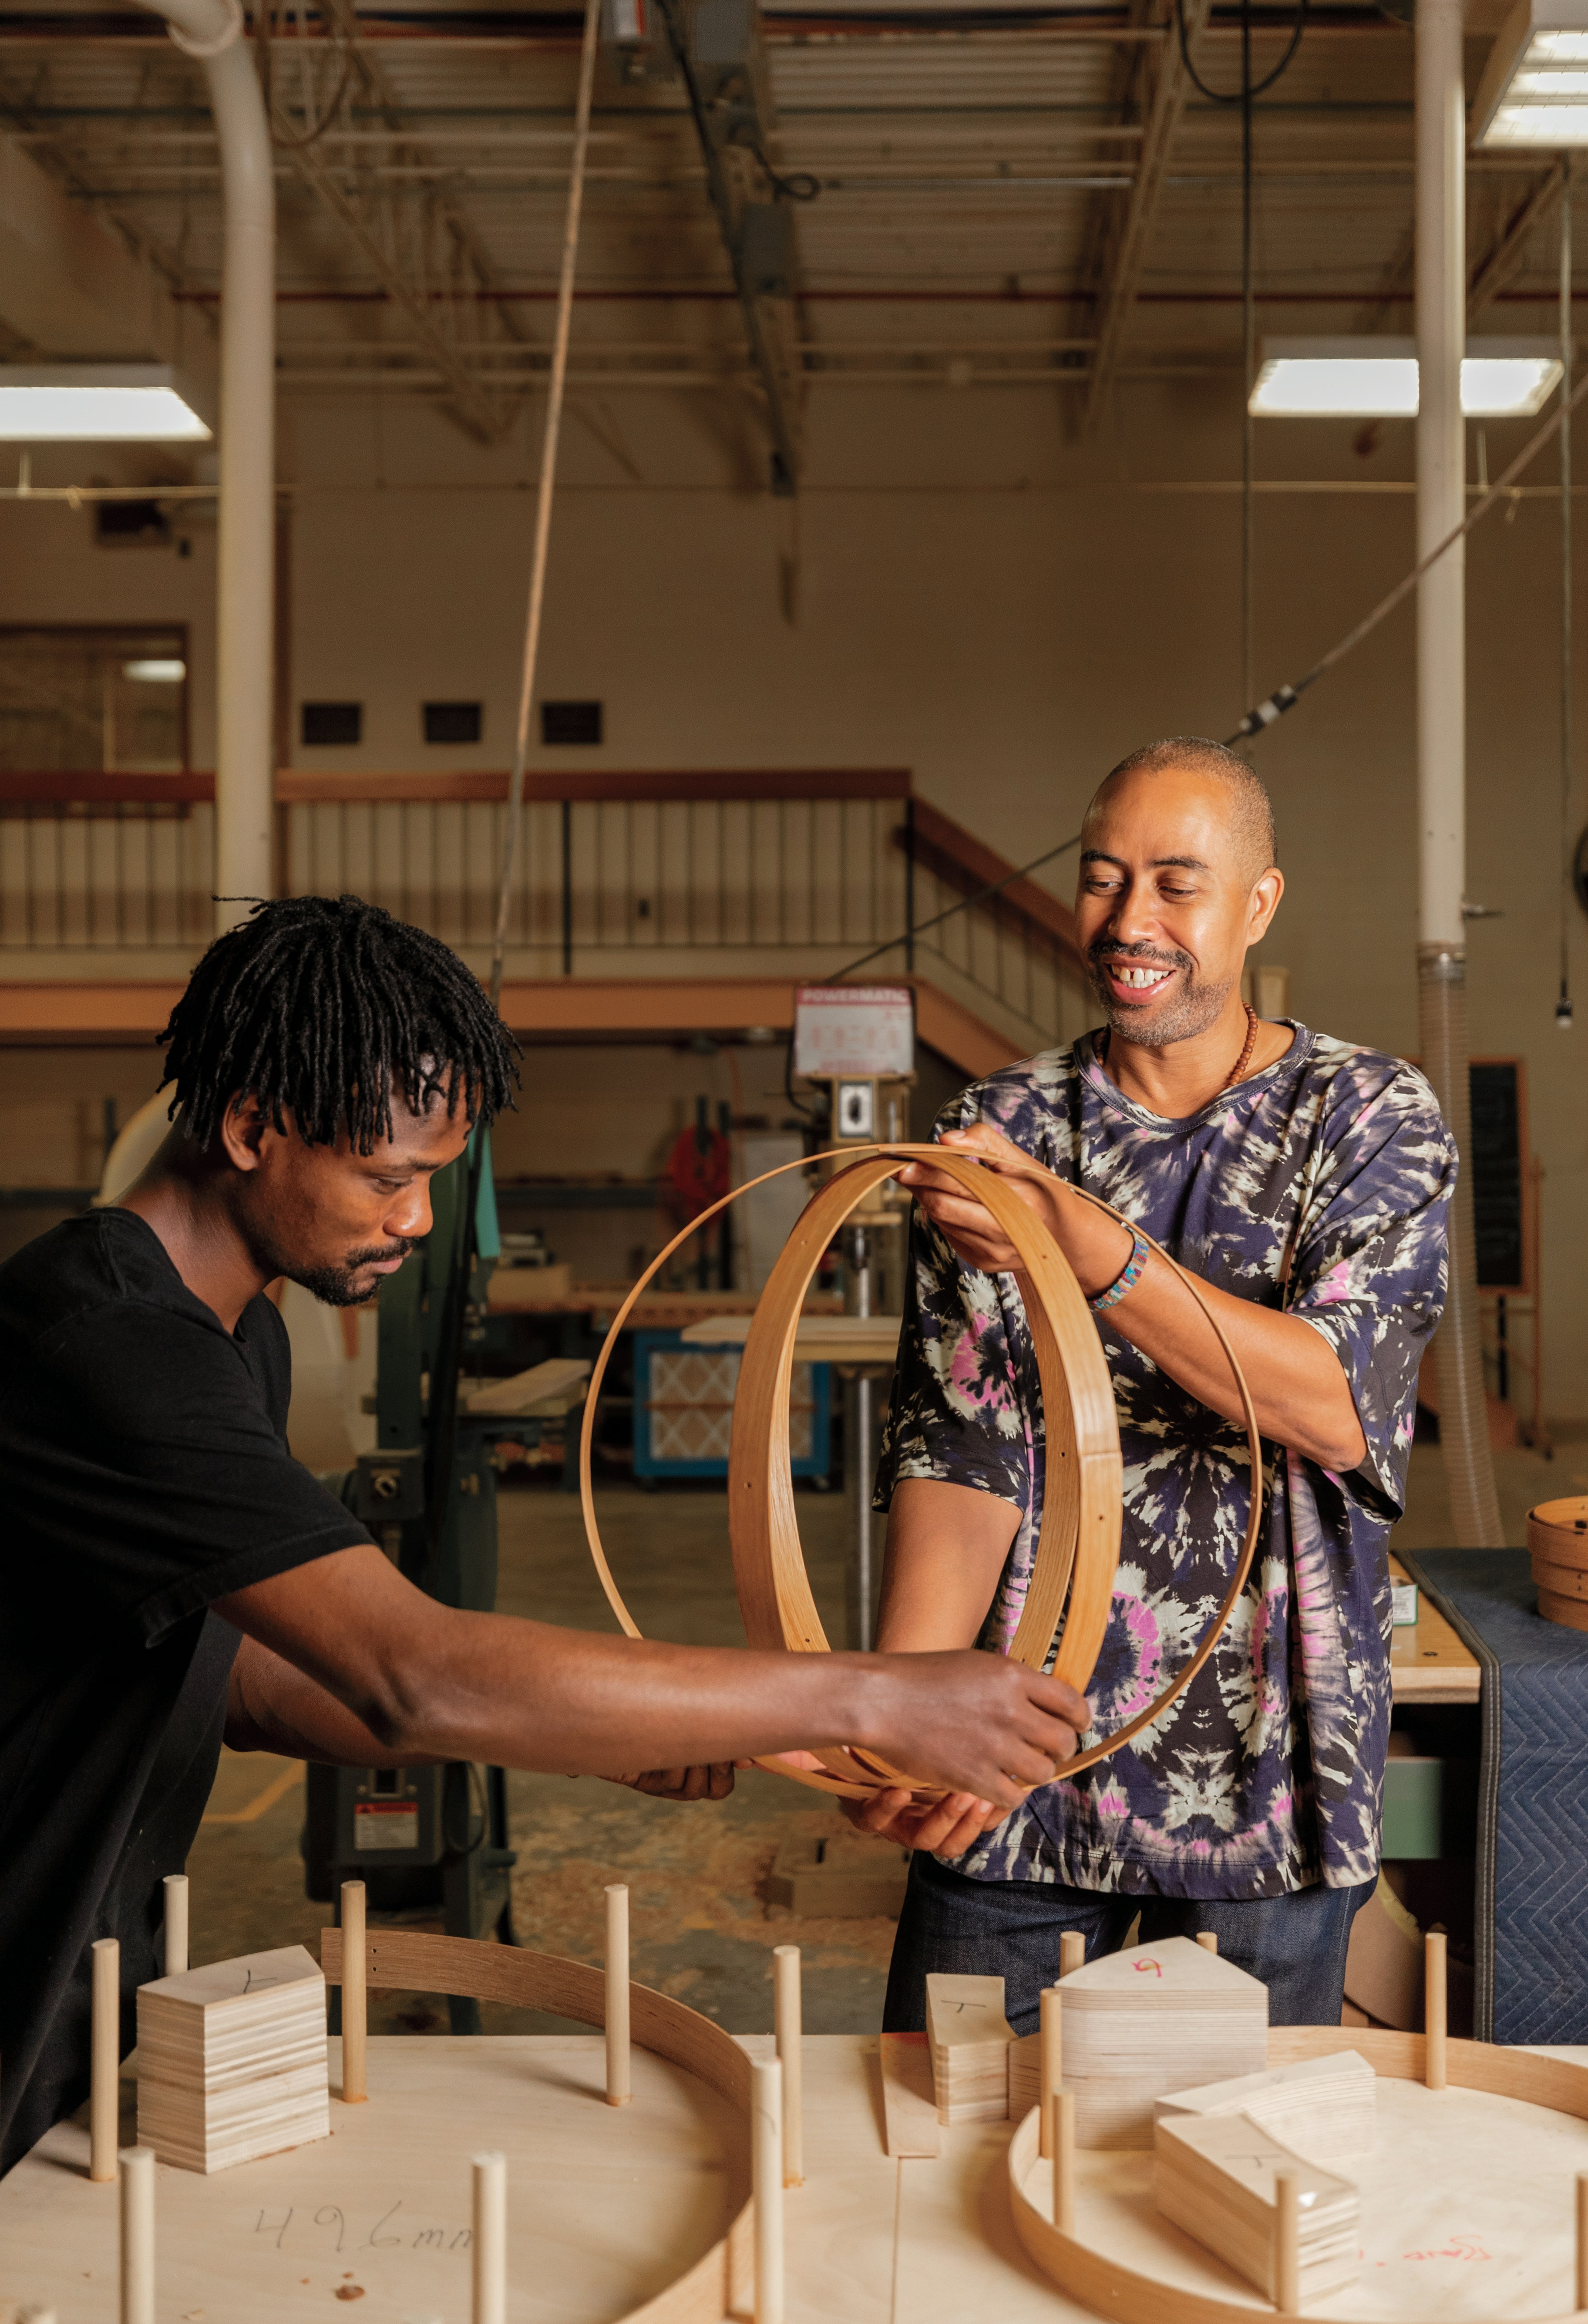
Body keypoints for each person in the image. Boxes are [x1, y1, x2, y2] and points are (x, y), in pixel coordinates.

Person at [0, 895, 1090, 2179]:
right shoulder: (105, 1344)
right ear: (251, 1128)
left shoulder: (235, 1332)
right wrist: (878, 1693)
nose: (415, 1220)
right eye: (388, 1177)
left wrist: (621, 1724)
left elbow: (252, 1682)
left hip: (75, 1969)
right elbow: (413, 1675)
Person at [855, 739, 1455, 2031]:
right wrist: (898, 1706)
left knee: (1226, 2190)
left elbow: (1335, 1403)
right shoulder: (1007, 1128)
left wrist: (1096, 1251)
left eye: (1177, 884)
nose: (1130, 923)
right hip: (1010, 1779)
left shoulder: (1366, 1117)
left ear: (1258, 903)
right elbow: (966, 1449)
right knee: (938, 2157)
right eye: (1103, 879)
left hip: (1268, 1788)